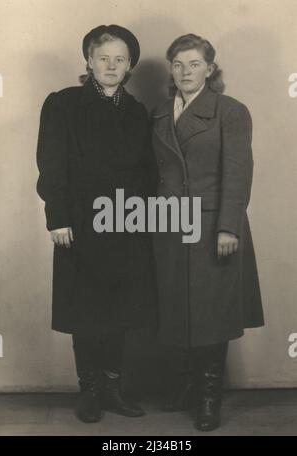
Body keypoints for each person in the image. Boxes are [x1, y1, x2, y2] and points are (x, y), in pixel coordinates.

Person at [36, 24, 157, 423]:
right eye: (103, 57)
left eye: (120, 58)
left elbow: (148, 172)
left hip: (125, 225)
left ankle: (112, 386)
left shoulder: (137, 111)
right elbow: (51, 164)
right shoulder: (63, 103)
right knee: (85, 309)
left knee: (120, 309)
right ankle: (89, 390)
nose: (111, 64)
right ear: (88, 60)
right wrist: (58, 217)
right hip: (79, 226)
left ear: (129, 66)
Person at [152, 34, 264, 431]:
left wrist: (228, 227)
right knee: (178, 308)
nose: (185, 72)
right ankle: (187, 383)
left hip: (213, 224)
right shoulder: (161, 112)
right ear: (171, 69)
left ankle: (209, 395)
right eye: (178, 64)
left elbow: (238, 173)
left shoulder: (230, 111)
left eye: (194, 64)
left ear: (210, 69)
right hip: (168, 225)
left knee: (211, 313)